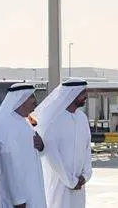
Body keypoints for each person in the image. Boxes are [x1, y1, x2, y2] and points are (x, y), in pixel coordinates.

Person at [0, 83, 46, 208]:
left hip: (31, 191)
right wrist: (18, 199)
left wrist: (41, 147)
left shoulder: (22, 121)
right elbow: (9, 165)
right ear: (21, 99)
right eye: (32, 97)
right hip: (16, 198)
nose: (36, 102)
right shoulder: (3, 124)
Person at [34, 79, 93, 208]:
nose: (86, 96)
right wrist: (70, 181)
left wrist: (85, 175)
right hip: (59, 184)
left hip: (79, 184)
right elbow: (52, 155)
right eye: (83, 93)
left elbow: (87, 148)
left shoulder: (82, 118)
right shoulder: (53, 120)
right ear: (72, 94)